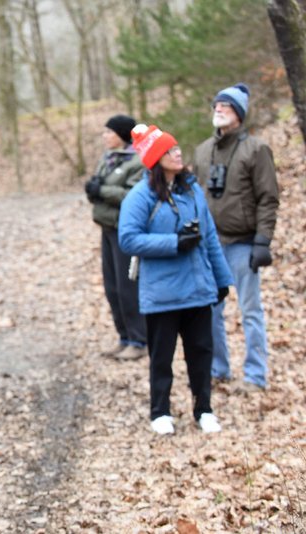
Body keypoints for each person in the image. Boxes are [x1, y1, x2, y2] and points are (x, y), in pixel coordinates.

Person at [118, 124, 233, 435]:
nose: (177, 153)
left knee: (201, 352)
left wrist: (221, 280)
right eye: (169, 150)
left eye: (177, 147)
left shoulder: (192, 190)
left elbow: (209, 237)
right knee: (162, 356)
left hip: (197, 289)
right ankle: (160, 412)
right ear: (156, 158)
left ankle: (204, 409)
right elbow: (128, 239)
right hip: (162, 293)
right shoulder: (140, 196)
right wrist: (174, 242)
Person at [192, 83, 279, 393]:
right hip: (211, 246)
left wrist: (262, 241)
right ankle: (218, 369)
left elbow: (268, 198)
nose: (218, 109)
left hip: (244, 243)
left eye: (226, 106)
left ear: (239, 114)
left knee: (250, 310)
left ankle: (256, 375)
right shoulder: (202, 150)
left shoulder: (256, 149)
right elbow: (196, 197)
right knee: (210, 311)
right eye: (216, 104)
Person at [84, 114, 147, 361]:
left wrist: (102, 190)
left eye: (109, 132)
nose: (104, 136)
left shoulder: (137, 161)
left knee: (127, 286)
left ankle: (138, 339)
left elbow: (132, 195)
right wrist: (94, 189)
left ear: (121, 135)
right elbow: (100, 189)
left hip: (125, 230)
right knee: (112, 287)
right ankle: (124, 336)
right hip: (106, 227)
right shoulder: (107, 158)